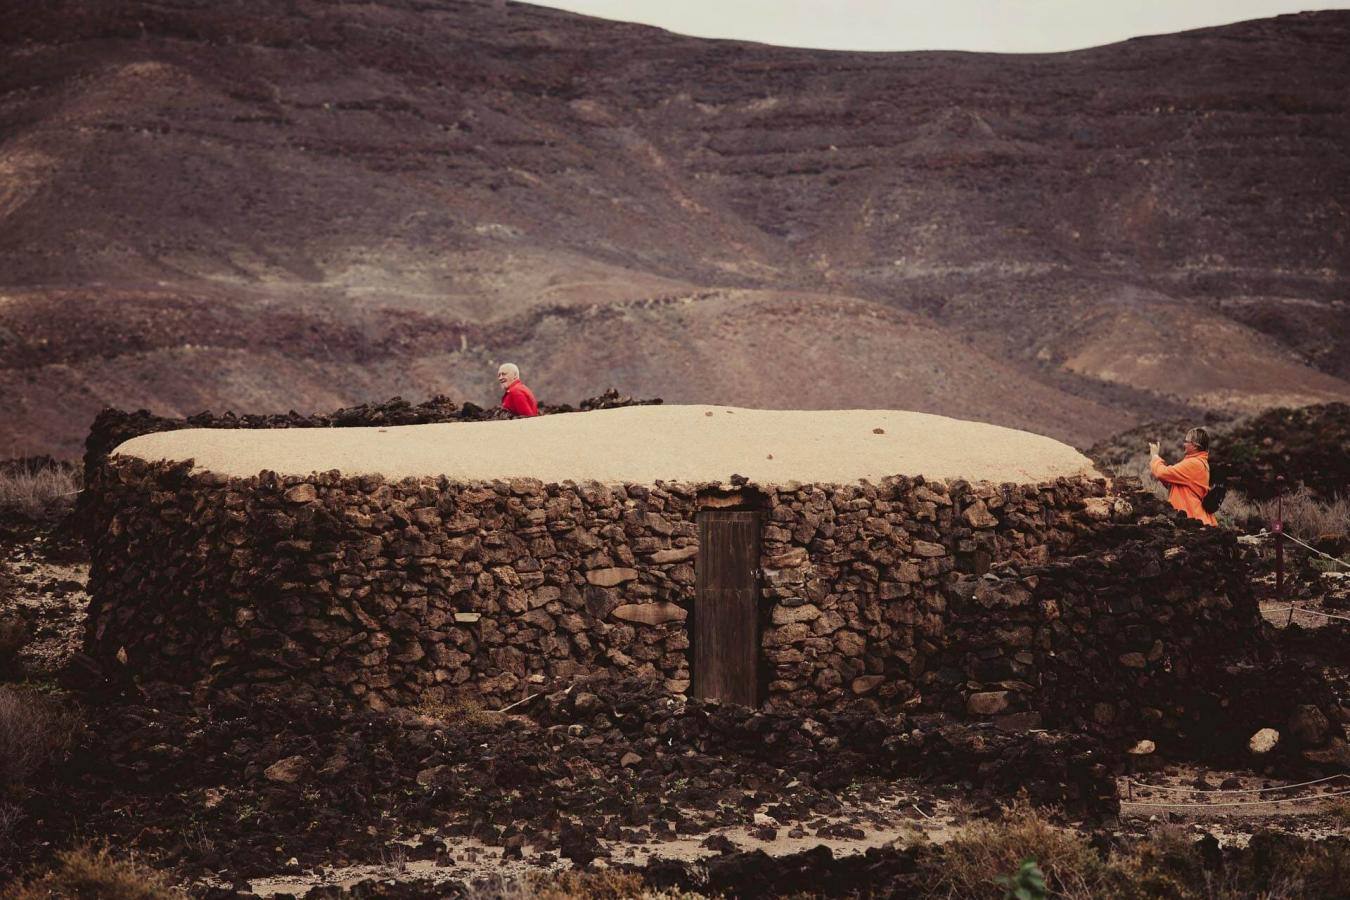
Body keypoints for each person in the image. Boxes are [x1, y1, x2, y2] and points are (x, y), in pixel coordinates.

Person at [1148, 427, 1217, 526]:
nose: (1184, 444)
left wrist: (1155, 458)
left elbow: (1162, 473)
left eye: (1186, 441)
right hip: (1192, 518)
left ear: (1195, 445)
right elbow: (1170, 481)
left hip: (1193, 519)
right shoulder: (1198, 462)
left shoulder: (1194, 463)